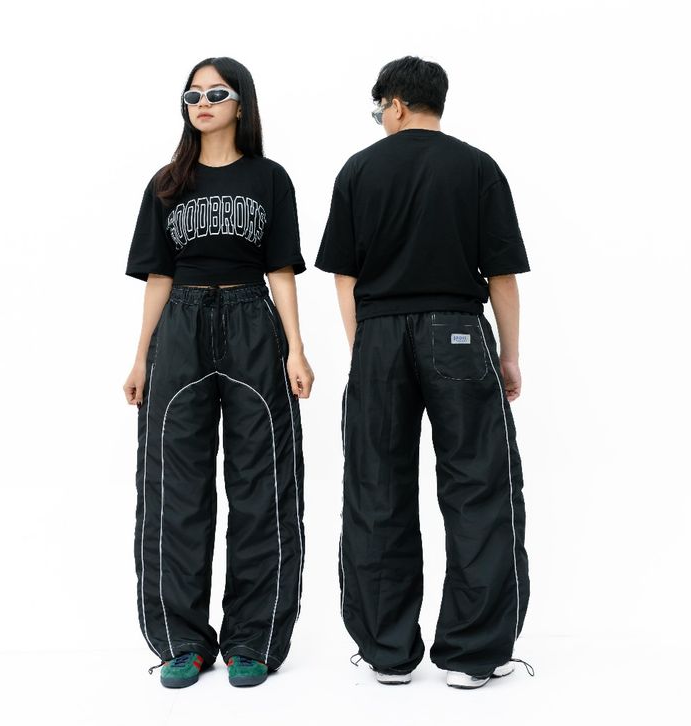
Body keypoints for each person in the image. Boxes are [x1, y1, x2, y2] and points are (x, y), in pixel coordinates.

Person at [315, 56, 533, 689]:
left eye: (379, 108)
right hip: (458, 331)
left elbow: (345, 276)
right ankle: (471, 654)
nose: (380, 118)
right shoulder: (477, 167)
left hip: (379, 334)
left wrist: (364, 349)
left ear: (397, 104)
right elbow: (501, 277)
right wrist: (509, 355)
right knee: (478, 485)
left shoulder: (358, 170)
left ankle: (388, 652)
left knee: (375, 488)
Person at [122, 56, 313, 689]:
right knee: (175, 488)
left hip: (252, 321)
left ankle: (253, 639)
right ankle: (181, 641)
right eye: (193, 95)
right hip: (179, 328)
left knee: (263, 484)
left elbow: (281, 269)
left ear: (240, 103)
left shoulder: (270, 178)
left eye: (216, 93)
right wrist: (141, 355)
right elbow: (158, 275)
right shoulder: (166, 182)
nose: (202, 103)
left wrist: (296, 348)